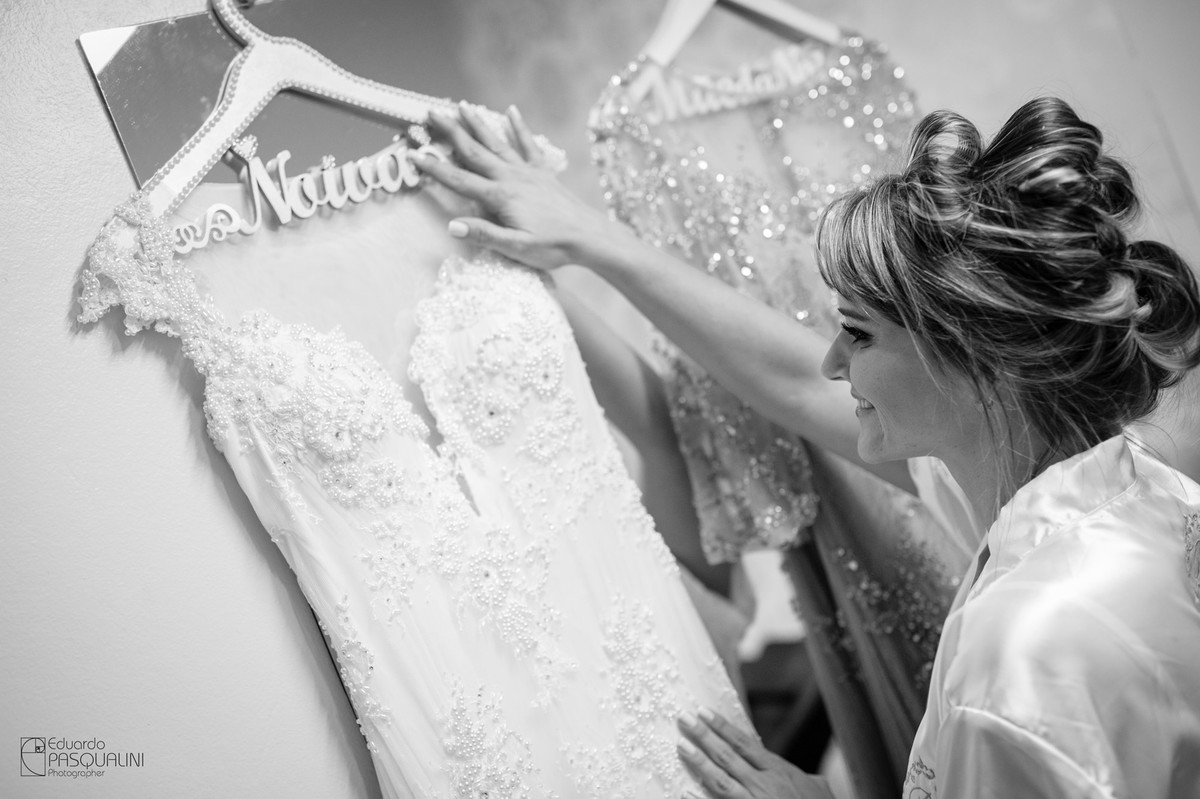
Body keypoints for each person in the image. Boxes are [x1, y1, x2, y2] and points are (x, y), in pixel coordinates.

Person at [413, 96, 1200, 796]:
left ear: (974, 356)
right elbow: (790, 378)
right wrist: (588, 241)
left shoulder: (1023, 660)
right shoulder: (1128, 494)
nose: (831, 360)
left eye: (856, 333)